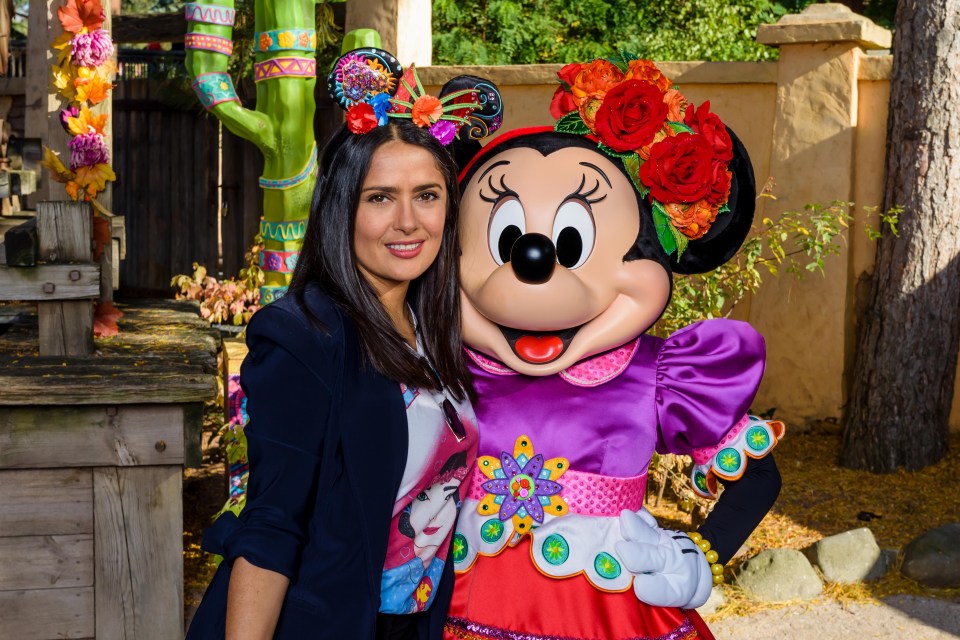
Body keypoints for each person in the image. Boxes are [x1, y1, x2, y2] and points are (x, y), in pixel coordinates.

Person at [443, 55, 784, 640]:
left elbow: (759, 479)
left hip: (610, 608)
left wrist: (700, 550)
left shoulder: (657, 374)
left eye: (569, 241)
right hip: (459, 603)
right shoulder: (449, 364)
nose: (533, 259)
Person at [186, 47, 504, 640]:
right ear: (341, 210)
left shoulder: (437, 331)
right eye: (380, 197)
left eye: (427, 195)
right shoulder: (303, 336)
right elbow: (273, 527)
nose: (408, 221)